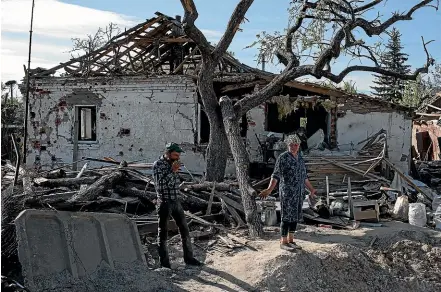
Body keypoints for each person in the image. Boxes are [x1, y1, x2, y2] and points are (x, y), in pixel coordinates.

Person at [260, 134, 316, 251]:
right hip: (287, 192)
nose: (294, 147)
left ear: (299, 146)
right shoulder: (283, 158)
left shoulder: (300, 159)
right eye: (291, 145)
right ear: (287, 145)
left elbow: (304, 177)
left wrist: (311, 189)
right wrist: (269, 189)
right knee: (286, 216)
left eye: (296, 145)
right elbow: (276, 175)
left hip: (299, 193)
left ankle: (291, 240)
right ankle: (283, 241)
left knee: (295, 216)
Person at [153, 142, 202, 268]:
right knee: (163, 232)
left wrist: (174, 171)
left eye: (179, 155)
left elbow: (175, 183)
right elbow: (161, 185)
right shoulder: (158, 165)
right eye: (175, 155)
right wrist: (172, 171)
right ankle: (165, 264)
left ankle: (189, 258)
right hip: (164, 202)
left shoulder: (173, 164)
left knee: (185, 230)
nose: (178, 157)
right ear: (168, 153)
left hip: (175, 201)